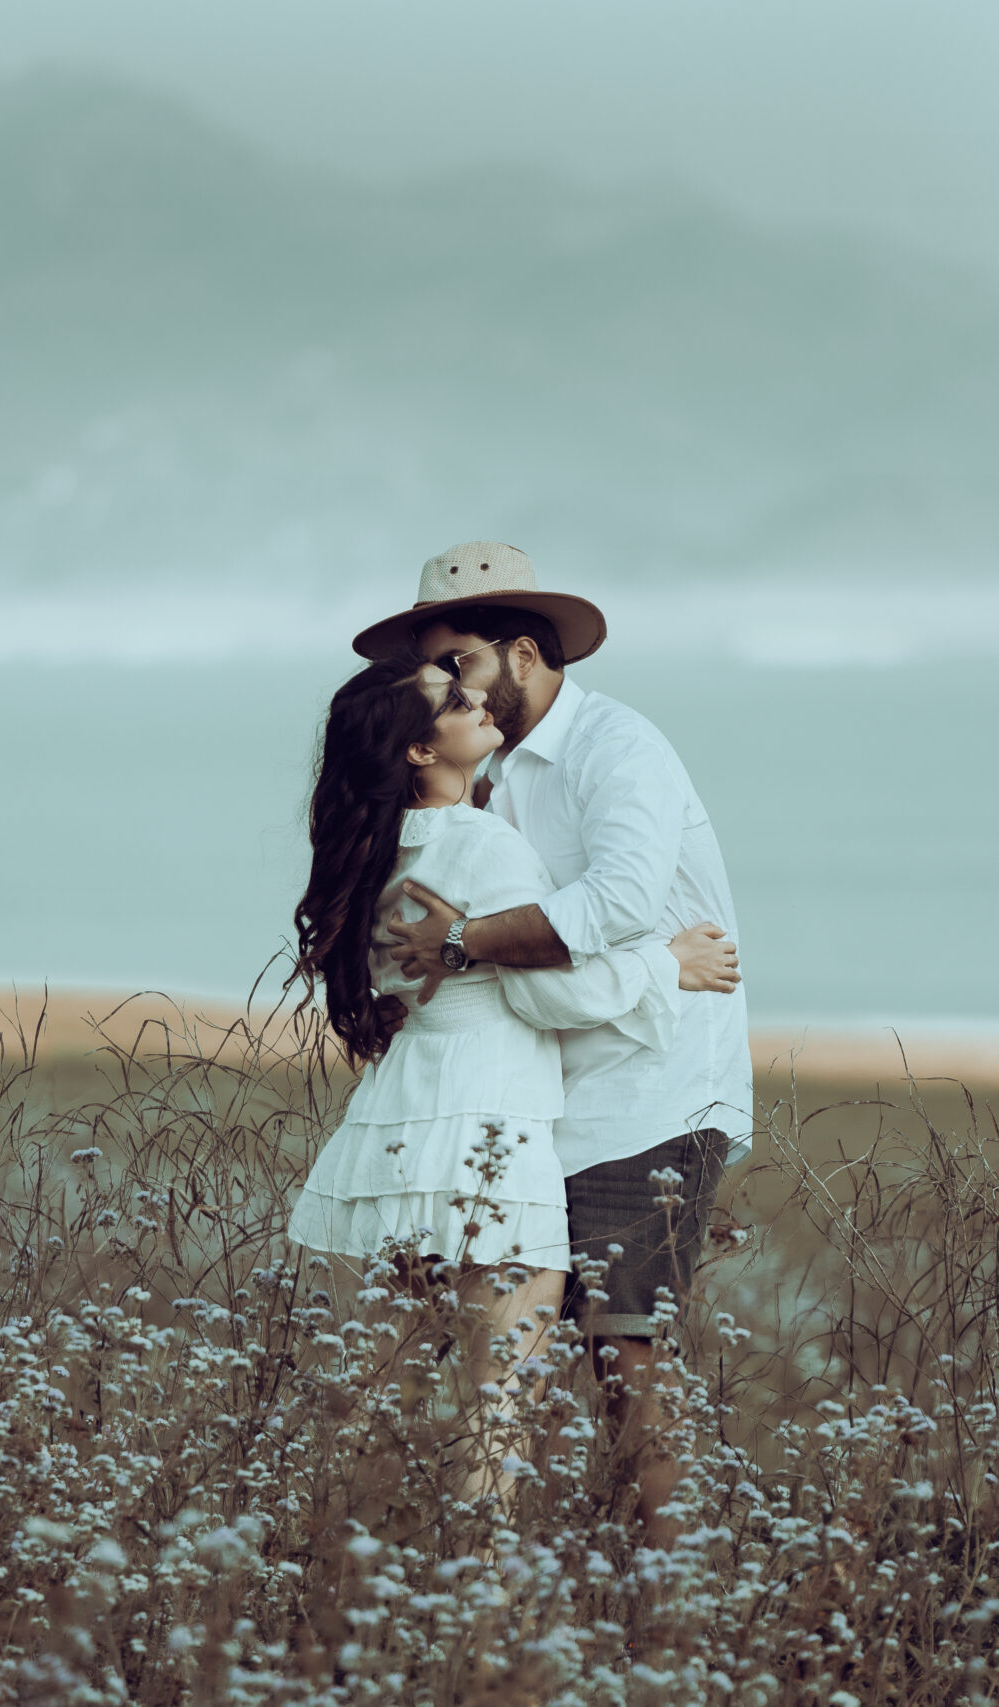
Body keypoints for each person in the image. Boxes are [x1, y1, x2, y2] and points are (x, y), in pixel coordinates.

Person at [357, 540, 750, 1548]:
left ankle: (666, 1603)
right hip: (532, 1100)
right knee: (501, 1366)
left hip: (650, 1083)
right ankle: (517, 1585)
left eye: (460, 663)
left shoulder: (618, 749)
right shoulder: (475, 777)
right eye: (437, 673)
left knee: (627, 1353)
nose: (446, 686)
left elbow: (614, 903)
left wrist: (459, 944)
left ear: (521, 652)